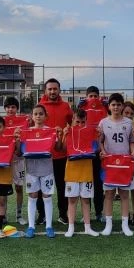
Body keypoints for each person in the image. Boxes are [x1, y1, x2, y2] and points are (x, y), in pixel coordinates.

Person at [18, 104, 62, 238]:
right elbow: (20, 152)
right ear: (31, 116)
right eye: (35, 114)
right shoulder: (26, 132)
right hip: (31, 169)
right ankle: (31, 226)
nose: (38, 116)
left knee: (47, 196)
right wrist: (17, 138)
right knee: (32, 196)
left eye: (41, 114)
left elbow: (58, 148)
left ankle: (49, 226)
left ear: (46, 116)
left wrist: (60, 136)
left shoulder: (51, 131)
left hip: (47, 169)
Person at [98, 93, 134, 236]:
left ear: (122, 106)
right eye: (113, 104)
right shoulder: (103, 123)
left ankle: (125, 224)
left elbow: (131, 141)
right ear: (109, 106)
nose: (116, 107)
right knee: (109, 194)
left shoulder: (128, 123)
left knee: (124, 194)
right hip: (109, 163)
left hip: (124, 163)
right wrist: (102, 151)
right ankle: (108, 224)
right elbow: (100, 141)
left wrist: (133, 152)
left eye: (118, 104)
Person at [39, 78, 73, 225]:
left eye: (55, 89)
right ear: (45, 91)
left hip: (61, 154)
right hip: (43, 154)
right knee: (41, 187)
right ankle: (42, 215)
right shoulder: (40, 106)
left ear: (59, 90)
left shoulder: (65, 106)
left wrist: (67, 132)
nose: (52, 91)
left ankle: (63, 214)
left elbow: (73, 124)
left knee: (62, 186)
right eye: (50, 89)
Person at [63, 109, 100, 237]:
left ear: (86, 121)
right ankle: (71, 227)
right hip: (72, 172)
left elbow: (96, 149)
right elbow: (63, 149)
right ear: (72, 120)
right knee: (72, 200)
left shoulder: (90, 132)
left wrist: (98, 137)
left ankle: (87, 227)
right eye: (77, 122)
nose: (80, 124)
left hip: (86, 171)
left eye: (83, 122)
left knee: (86, 200)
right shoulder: (68, 132)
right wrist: (64, 135)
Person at [76, 86, 108, 223]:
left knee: (98, 183)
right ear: (86, 97)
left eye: (95, 96)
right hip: (85, 152)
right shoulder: (82, 108)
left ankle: (99, 212)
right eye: (91, 96)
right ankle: (86, 213)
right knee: (86, 183)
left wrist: (106, 107)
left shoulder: (104, 108)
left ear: (99, 97)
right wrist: (78, 107)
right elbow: (77, 123)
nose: (93, 99)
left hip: (99, 151)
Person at [3, 96, 28, 225]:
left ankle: (19, 215)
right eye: (8, 107)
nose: (10, 110)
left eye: (13, 107)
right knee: (4, 189)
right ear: (5, 109)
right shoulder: (1, 122)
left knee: (19, 187)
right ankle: (3, 216)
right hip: (5, 160)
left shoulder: (23, 121)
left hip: (19, 159)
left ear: (17, 109)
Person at [122, 101, 134, 226]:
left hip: (133, 162)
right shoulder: (117, 124)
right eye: (126, 113)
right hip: (121, 161)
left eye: (131, 113)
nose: (129, 116)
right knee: (123, 189)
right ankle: (126, 214)